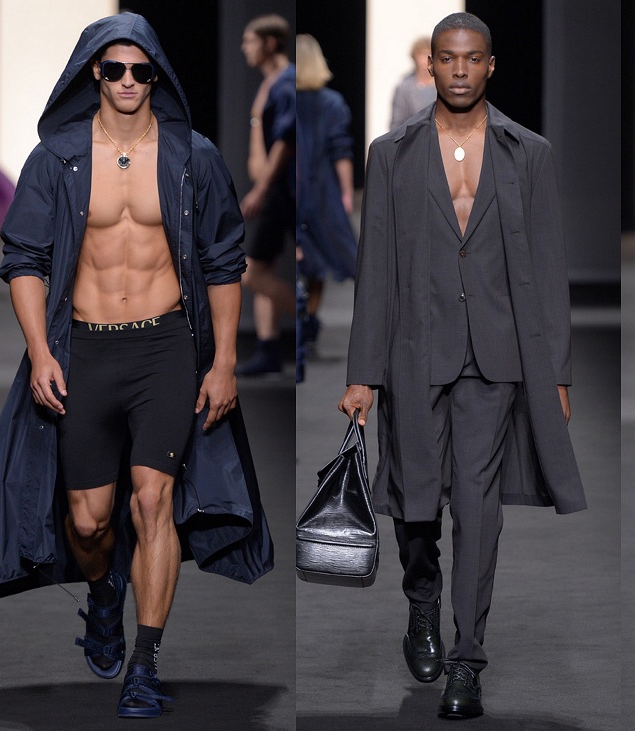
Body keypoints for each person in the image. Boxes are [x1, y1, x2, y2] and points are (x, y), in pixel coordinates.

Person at [0, 13, 273, 720]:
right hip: (86, 350)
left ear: (156, 74)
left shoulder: (193, 156)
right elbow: (24, 258)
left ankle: (145, 662)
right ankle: (104, 589)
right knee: (89, 520)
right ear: (94, 75)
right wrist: (40, 351)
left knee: (153, 501)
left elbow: (225, 260)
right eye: (115, 69)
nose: (129, 80)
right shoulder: (58, 158)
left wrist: (225, 362)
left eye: (141, 69)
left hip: (166, 347)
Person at [339, 12, 585, 719]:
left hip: (496, 354)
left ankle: (467, 658)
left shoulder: (528, 152)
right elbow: (376, 266)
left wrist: (556, 372)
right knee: (415, 499)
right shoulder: (391, 152)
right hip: (414, 350)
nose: (458, 70)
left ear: (490, 65)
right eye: (447, 58)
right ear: (431, 65)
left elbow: (548, 264)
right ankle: (422, 600)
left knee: (478, 505)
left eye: (472, 58)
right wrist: (362, 372)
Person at [235, 13, 296, 376]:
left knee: (252, 273)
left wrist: (261, 188)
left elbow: (285, 142)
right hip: (275, 189)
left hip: (282, 191)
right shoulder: (271, 82)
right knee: (263, 268)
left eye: (250, 40)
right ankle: (268, 348)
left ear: (269, 43)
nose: (245, 47)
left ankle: (305, 317)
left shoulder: (286, 83)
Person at [294, 33, 356, 374]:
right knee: (316, 263)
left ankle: (301, 325)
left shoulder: (285, 99)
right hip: (322, 191)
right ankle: (307, 323)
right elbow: (340, 150)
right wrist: (346, 192)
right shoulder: (332, 103)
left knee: (300, 257)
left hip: (294, 187)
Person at [390, 36, 435, 130]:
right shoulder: (404, 88)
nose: (426, 59)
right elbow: (397, 123)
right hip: (412, 136)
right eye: (422, 54)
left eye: (430, 54)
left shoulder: (443, 86)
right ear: (415, 57)